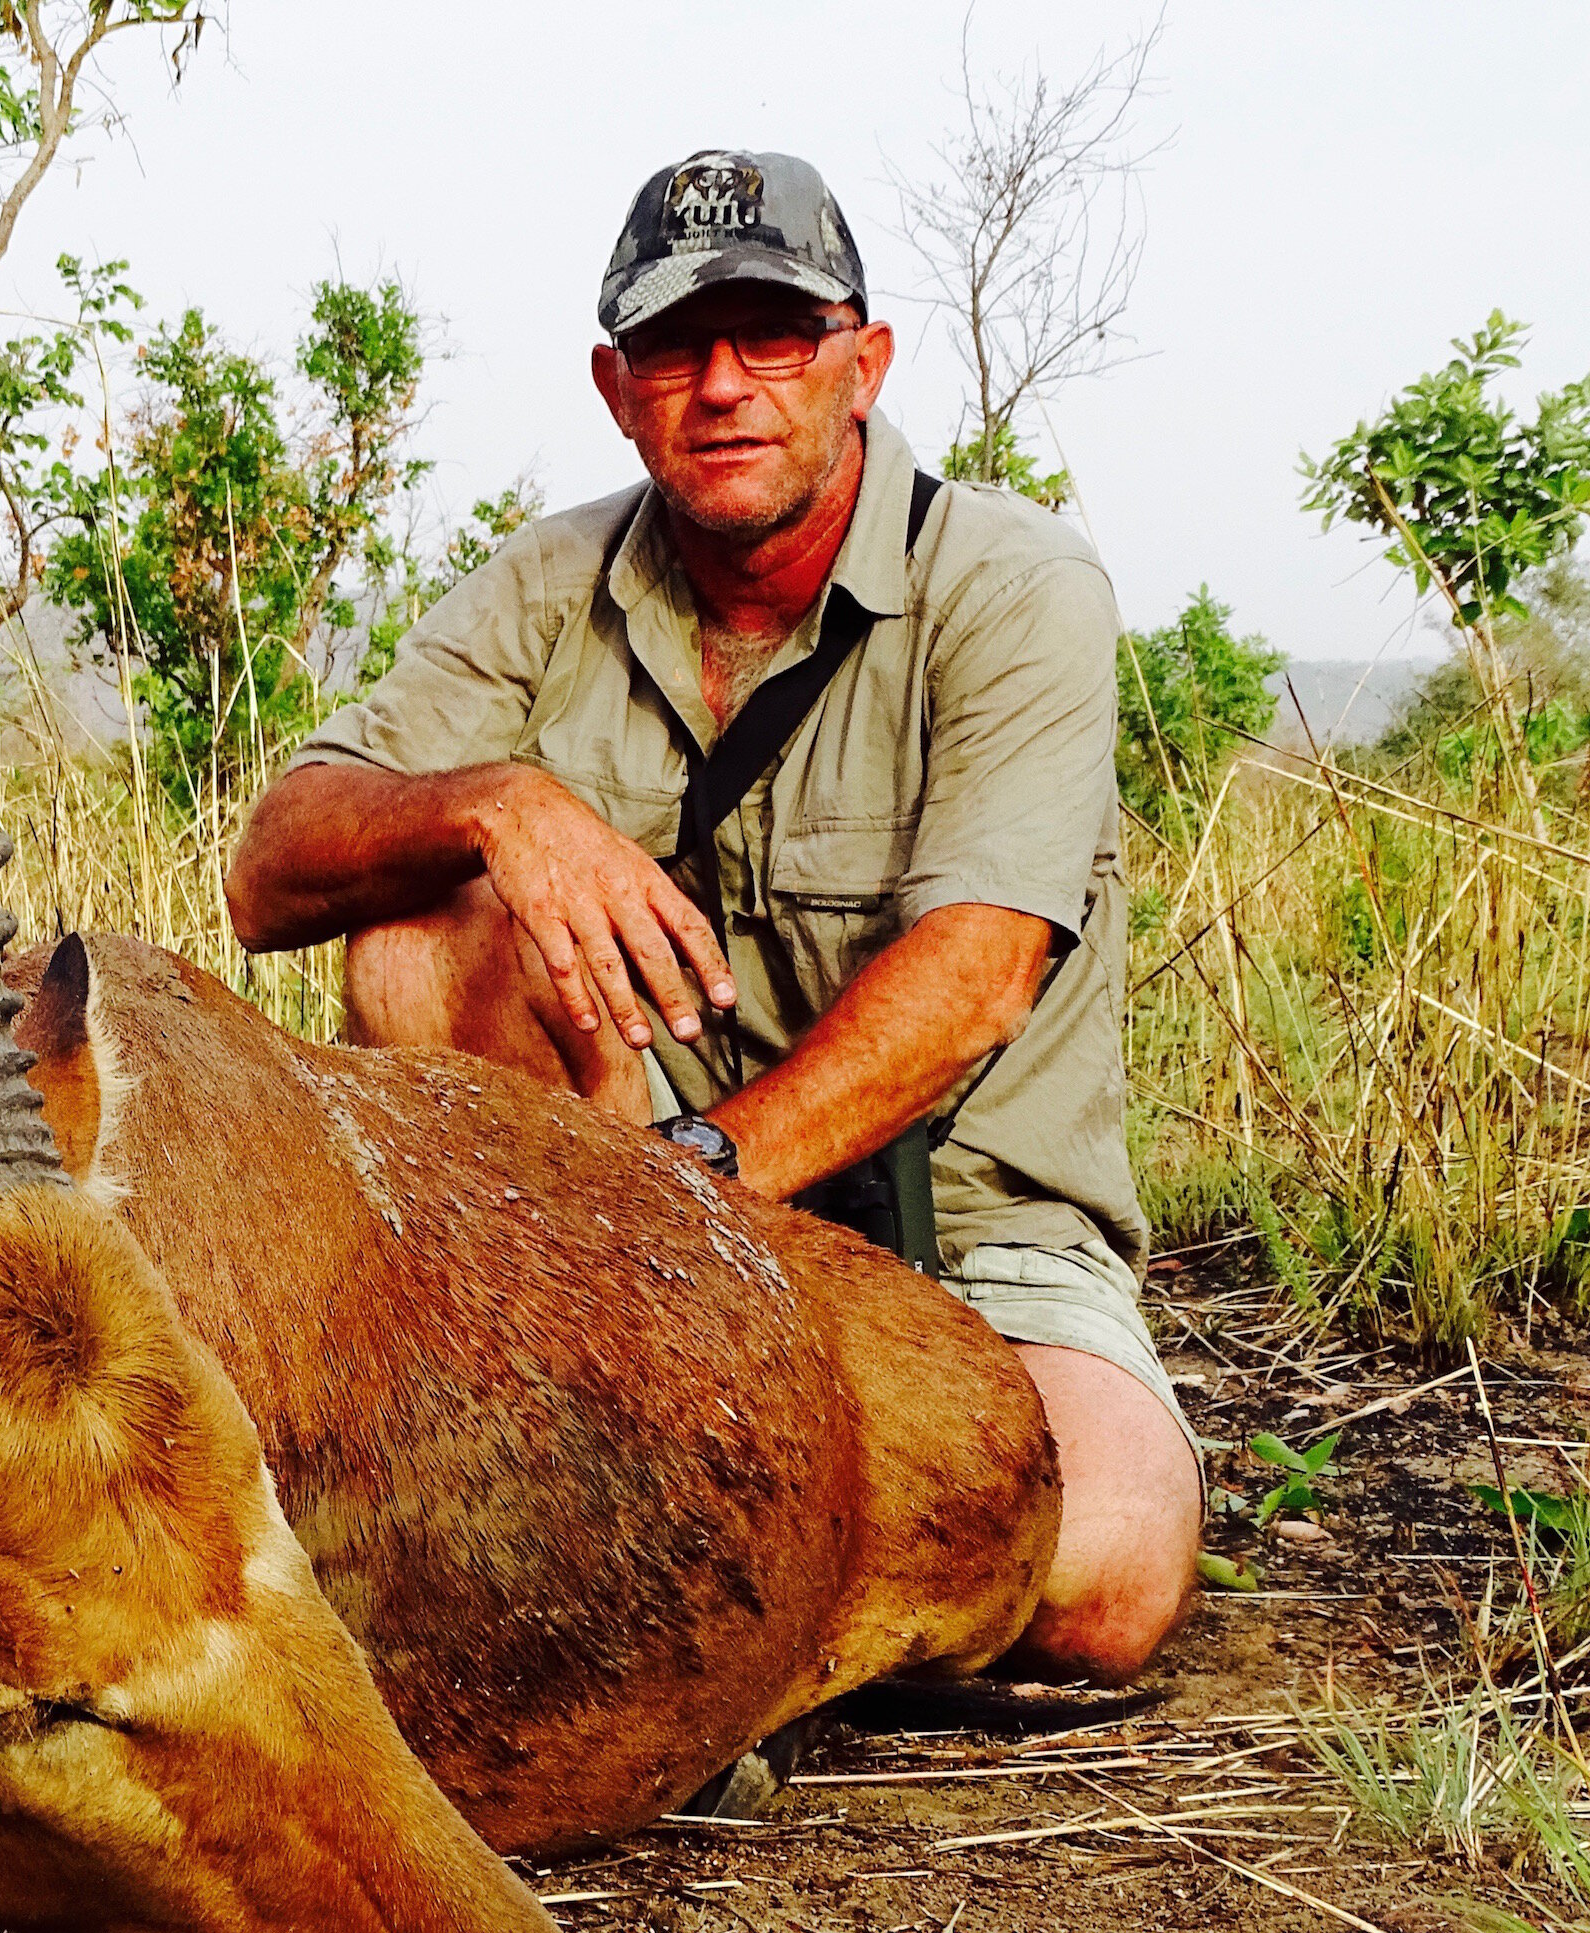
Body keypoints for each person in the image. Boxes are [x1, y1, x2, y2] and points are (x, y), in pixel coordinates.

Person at [225, 149, 1197, 1685]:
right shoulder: (543, 581)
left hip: (966, 1232)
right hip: (608, 1231)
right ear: (619, 388)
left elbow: (977, 979)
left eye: (776, 339)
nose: (725, 386)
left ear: (861, 366)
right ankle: (671, 1550)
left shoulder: (1016, 585)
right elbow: (266, 871)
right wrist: (500, 805)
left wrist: (689, 1196)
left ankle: (669, 1593)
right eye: (677, 347)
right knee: (413, 941)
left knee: (1101, 1582)